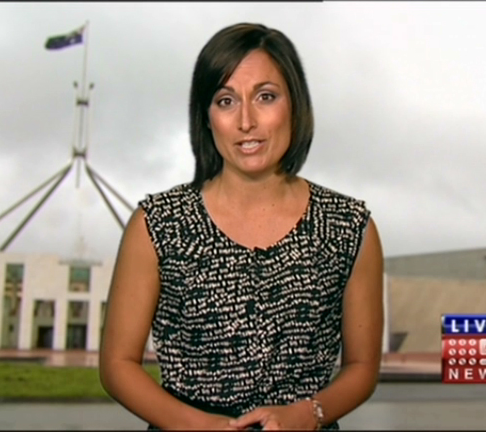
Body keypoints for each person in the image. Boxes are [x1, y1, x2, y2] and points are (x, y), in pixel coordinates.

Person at [99, 22, 384, 430]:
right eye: (226, 100)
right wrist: (202, 427)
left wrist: (307, 414)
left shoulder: (349, 227)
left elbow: (362, 367)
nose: (246, 121)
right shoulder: (158, 224)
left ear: (295, 104)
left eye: (265, 96)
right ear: (206, 116)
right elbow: (117, 364)